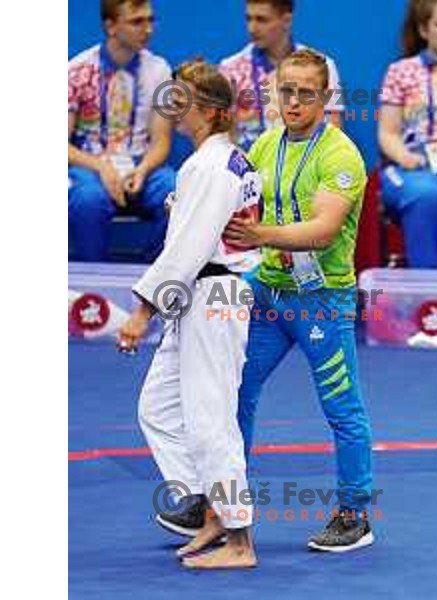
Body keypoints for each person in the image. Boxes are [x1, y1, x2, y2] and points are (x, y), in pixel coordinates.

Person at [223, 49, 374, 553]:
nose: (293, 102)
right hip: (269, 295)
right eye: (285, 91)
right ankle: (224, 504)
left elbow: (324, 230)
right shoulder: (264, 144)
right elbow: (227, 194)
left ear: (326, 98)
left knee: (341, 406)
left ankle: (354, 515)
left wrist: (258, 234)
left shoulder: (342, 156)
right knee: (234, 390)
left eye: (306, 93)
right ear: (273, 92)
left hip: (322, 301)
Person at [117, 60, 261, 569]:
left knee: (210, 417)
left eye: (184, 101)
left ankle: (240, 540)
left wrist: (141, 314)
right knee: (157, 408)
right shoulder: (221, 162)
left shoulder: (209, 166)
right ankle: (211, 508)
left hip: (214, 295)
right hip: (201, 297)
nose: (174, 110)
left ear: (211, 112)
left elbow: (186, 251)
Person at [69, 0, 176, 262]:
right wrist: (102, 168)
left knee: (178, 193)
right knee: (88, 200)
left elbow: (161, 141)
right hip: (90, 167)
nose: (148, 29)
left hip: (141, 163)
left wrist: (142, 170)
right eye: (137, 22)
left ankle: (152, 280)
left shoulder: (160, 70)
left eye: (151, 20)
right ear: (111, 26)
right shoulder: (77, 70)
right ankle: (93, 289)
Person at [378, 0, 437, 270]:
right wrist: (405, 158)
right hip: (411, 166)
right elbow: (387, 133)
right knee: (423, 193)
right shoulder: (400, 72)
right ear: (423, 30)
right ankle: (428, 300)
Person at [220, 0, 344, 151]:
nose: (252, 28)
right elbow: (223, 135)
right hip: (250, 166)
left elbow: (333, 129)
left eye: (262, 20)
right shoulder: (229, 69)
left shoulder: (324, 66)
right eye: (249, 18)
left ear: (287, 20)